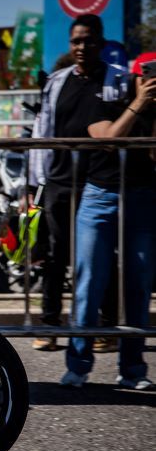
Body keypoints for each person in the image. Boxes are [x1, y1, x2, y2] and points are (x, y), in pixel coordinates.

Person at [28, 14, 126, 352]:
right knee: (55, 257)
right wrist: (35, 182)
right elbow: (42, 131)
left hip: (100, 184)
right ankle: (50, 325)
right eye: (76, 41)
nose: (82, 47)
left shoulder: (119, 80)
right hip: (58, 182)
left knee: (102, 257)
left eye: (88, 40)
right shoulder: (56, 81)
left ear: (101, 42)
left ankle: (106, 328)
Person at [61, 53, 156, 390]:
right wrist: (139, 104)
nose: (150, 80)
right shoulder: (103, 97)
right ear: (131, 76)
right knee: (89, 283)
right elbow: (108, 137)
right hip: (99, 196)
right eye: (146, 73)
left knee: (138, 287)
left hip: (143, 199)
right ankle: (78, 366)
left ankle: (132, 370)